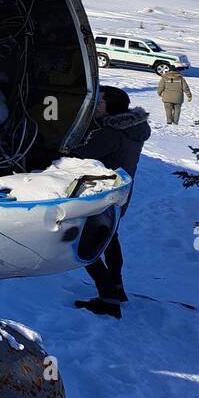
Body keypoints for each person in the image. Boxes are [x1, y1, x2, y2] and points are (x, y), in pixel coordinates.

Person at [68, 85, 151, 319]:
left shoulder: (111, 134)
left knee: (83, 246)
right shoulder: (135, 128)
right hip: (119, 194)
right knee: (109, 240)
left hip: (100, 196)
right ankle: (117, 288)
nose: (95, 106)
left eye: (100, 103)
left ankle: (108, 299)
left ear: (111, 108)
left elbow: (78, 155)